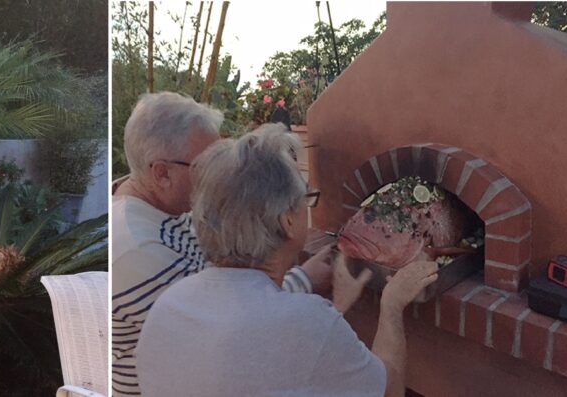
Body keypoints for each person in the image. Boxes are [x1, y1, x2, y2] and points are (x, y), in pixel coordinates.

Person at [136, 130, 439, 397]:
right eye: (305, 198)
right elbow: (390, 391)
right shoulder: (303, 322)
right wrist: (392, 305)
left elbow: (266, 366)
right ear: (288, 221)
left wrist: (333, 312)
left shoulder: (169, 304)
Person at [111, 93, 333, 396]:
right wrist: (306, 279)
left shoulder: (165, 207)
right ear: (161, 172)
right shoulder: (136, 249)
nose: (219, 175)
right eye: (207, 164)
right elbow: (225, 327)